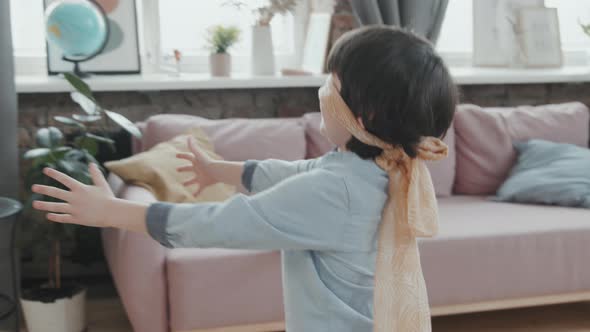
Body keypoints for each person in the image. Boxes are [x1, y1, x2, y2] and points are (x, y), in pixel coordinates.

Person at [32, 26, 458, 331]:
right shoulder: (373, 169)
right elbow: (298, 173)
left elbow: (221, 223)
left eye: (332, 85)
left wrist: (114, 213)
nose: (322, 92)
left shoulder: (337, 191)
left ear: (361, 118)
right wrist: (221, 170)